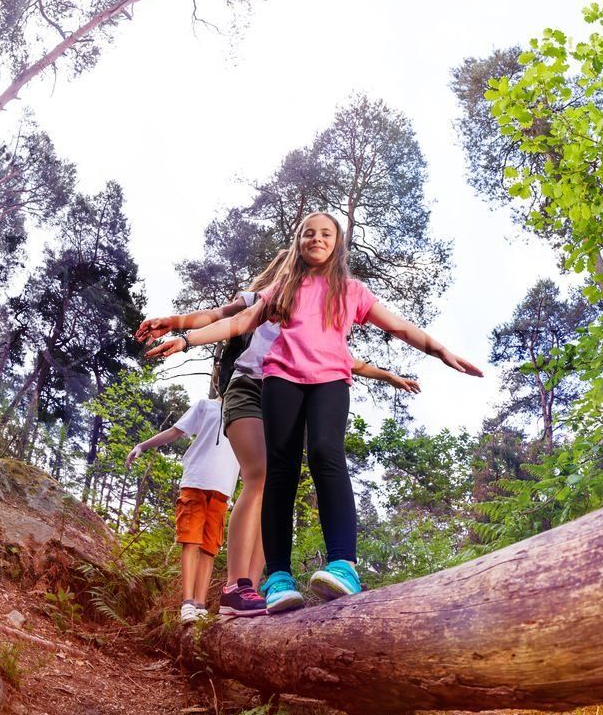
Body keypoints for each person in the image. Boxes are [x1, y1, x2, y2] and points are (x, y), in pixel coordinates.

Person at [145, 211, 482, 614]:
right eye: (308, 233)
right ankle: (279, 578)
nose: (316, 238)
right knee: (280, 473)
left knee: (326, 453)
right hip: (280, 381)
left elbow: (399, 327)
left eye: (325, 233)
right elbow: (236, 323)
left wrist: (439, 349)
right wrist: (186, 338)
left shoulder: (352, 291)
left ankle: (343, 564)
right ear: (298, 242)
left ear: (337, 243)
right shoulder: (282, 289)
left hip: (329, 382)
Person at [125, 398, 239, 623]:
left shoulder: (244, 409)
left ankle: (199, 604)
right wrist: (142, 446)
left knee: (210, 547)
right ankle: (187, 603)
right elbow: (175, 431)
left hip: (223, 488)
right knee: (191, 540)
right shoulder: (205, 406)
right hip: (196, 479)